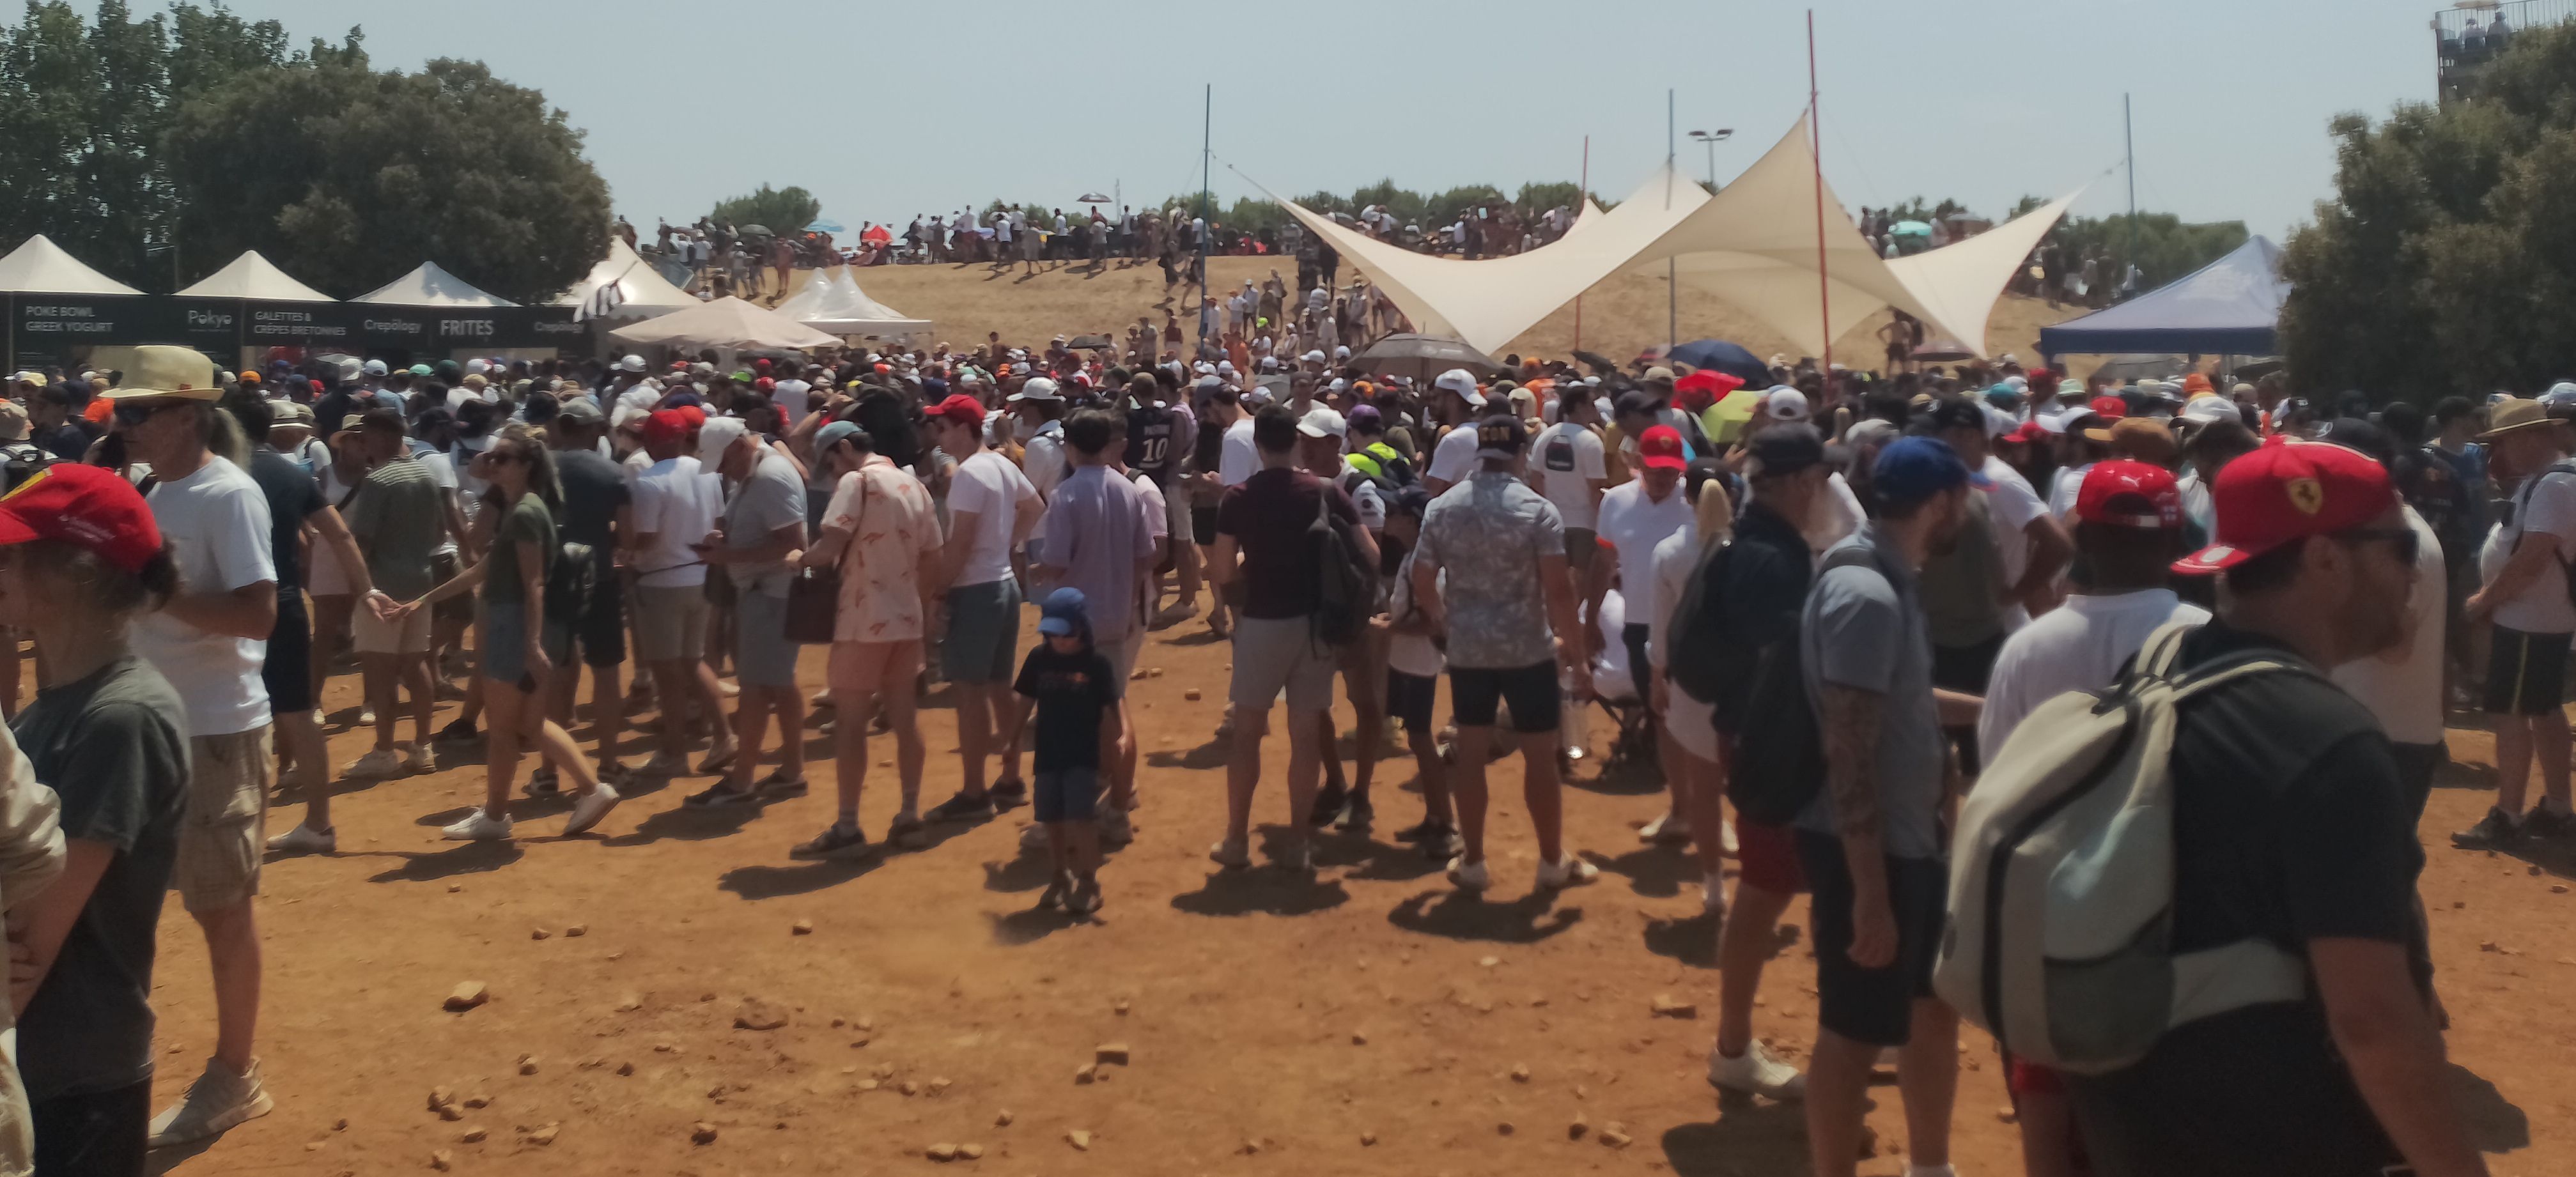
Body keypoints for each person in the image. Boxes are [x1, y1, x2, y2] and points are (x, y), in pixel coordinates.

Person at [2068, 437, 2486, 1177]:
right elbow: (2371, 1020)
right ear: (2325, 560)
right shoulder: (2329, 744)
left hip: (2131, 1126)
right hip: (2270, 1138)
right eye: (2398, 550)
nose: (2412, 575)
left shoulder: (2160, 669)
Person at [1968, 459, 2207, 1173]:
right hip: (2173, 905)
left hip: (2049, 905)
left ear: (2081, 540)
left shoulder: (2027, 648)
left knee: (2043, 1082)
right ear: (2174, 543)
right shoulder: (2205, 636)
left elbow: (1996, 787)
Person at [102, 347, 282, 1147]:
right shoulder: (157, 489)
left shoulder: (227, 496)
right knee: (140, 901)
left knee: (220, 908)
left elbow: (259, 614)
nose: (124, 426)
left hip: (215, 728)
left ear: (187, 415)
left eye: (136, 413)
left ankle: (235, 1077)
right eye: (122, 413)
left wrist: (164, 594)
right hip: (155, 725)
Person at [0, 465, 189, 1176]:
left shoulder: (120, 718)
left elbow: (32, 936)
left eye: (13, 553)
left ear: (74, 571)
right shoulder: (56, 704)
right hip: (45, 1054)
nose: (0, 568)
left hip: (74, 1068)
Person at [1799, 436, 1978, 1177]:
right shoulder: (1865, 595)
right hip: (1872, 855)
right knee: (1853, 1032)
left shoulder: (1889, 577)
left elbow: (1897, 701)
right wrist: (1870, 894)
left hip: (1912, 844)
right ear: (1939, 504)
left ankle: (1930, 1167)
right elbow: (1849, 750)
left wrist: (2004, 704)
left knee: (1931, 1010)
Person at [397, 424, 619, 842]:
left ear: (527, 466)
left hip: (514, 626)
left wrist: (531, 642)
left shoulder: (526, 512)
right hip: (522, 625)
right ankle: (587, 791)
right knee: (531, 725)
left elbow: (532, 582)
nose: (492, 463)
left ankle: (501, 816)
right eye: (492, 457)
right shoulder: (525, 508)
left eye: (503, 459)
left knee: (503, 728)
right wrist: (422, 601)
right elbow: (484, 569)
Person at [1695, 426, 1828, 1100]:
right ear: (1801, 483)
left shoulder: (1756, 544)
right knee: (1764, 892)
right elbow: (1778, 662)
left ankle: (1745, 1043)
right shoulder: (1772, 560)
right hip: (1767, 741)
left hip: (1752, 734)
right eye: (1820, 482)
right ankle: (1732, 1047)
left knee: (1771, 889)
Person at [1409, 414, 1596, 893]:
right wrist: (1575, 654)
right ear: (1519, 454)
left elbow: (1422, 579)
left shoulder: (1442, 508)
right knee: (1540, 757)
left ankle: (1473, 861)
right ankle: (1551, 860)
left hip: (1469, 649)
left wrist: (1442, 624)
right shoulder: (1537, 510)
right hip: (1527, 649)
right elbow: (1558, 591)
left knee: (1470, 754)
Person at [1208, 404, 1376, 872]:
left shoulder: (1239, 497)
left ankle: (1237, 840)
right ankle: (1300, 843)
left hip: (1262, 622)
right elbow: (1372, 554)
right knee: (1305, 739)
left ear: (1259, 444)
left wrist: (1250, 570)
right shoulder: (1324, 492)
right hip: (1316, 627)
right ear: (1297, 444)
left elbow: (1222, 571)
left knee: (1246, 736)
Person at [789, 423, 945, 859]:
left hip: (862, 619)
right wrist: (923, 606)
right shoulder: (914, 486)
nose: (832, 471)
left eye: (832, 461)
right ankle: (910, 813)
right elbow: (934, 554)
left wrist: (800, 558)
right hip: (905, 619)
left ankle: (848, 825)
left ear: (843, 450)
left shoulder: (856, 483)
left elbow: (831, 543)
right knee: (905, 718)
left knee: (851, 724)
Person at [232, 399, 377, 858]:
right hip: (286, 603)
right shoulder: (292, 475)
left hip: (228, 609)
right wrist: (367, 590)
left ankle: (241, 831)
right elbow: (339, 535)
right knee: (296, 713)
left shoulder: (218, 475)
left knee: (230, 715)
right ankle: (318, 823)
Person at [1030, 408, 1155, 835]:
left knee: (1067, 723)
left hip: (1073, 626)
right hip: (1116, 617)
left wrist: (1038, 572)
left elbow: (1057, 562)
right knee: (1115, 715)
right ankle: (1120, 806)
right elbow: (1145, 556)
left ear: (1069, 446)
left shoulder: (1066, 495)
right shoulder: (1129, 490)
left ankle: (1062, 822)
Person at [2460, 397, 2576, 845]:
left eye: (2505, 440)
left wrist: (2485, 601)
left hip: (2529, 620)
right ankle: (2557, 808)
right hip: (2538, 617)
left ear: (2531, 436)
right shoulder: (2549, 481)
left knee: (2511, 715)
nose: (2500, 452)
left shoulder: (2553, 486)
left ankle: (2508, 815)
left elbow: (2532, 559)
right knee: (2544, 711)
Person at [924, 392, 1043, 819]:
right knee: (997, 687)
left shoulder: (971, 474)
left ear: (962, 429)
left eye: (942, 426)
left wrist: (938, 593)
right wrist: (1010, 546)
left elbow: (960, 545)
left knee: (970, 695)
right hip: (1003, 585)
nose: (937, 435)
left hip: (976, 590)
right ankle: (1010, 779)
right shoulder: (1001, 465)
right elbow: (1035, 507)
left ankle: (975, 793)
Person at [686, 417, 811, 805]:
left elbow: (793, 543)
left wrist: (728, 556)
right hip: (769, 593)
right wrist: (723, 537)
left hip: (771, 594)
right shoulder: (755, 472)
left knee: (756, 689)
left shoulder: (771, 477)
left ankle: (742, 781)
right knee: (779, 685)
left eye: (723, 463)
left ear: (740, 447)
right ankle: (792, 771)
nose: (722, 472)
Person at [1595, 424, 1696, 843]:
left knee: (1701, 722)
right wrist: (1587, 625)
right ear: (1638, 464)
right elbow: (1601, 565)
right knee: (1661, 717)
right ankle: (1681, 809)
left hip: (1689, 628)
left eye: (1671, 470)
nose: (1663, 477)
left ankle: (1705, 809)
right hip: (1639, 627)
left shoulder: (1696, 502)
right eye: (1655, 468)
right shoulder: (1616, 503)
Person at [339, 410, 445, 779]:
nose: (362, 443)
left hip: (383, 587)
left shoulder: (379, 481)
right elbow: (438, 536)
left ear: (384, 437)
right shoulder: (428, 476)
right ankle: (422, 747)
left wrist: (359, 588)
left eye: (365, 436)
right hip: (421, 582)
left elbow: (362, 543)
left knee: (381, 673)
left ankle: (385, 750)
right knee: (416, 665)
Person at [628, 409, 734, 777]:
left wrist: (619, 545)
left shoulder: (649, 481)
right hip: (699, 577)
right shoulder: (707, 474)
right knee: (693, 662)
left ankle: (674, 752)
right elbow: (719, 523)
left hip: (662, 583)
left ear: (652, 442)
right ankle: (723, 736)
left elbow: (645, 538)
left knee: (668, 674)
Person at [1005, 588, 1122, 914]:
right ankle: (1059, 877)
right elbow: (1025, 701)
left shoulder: (1096, 664)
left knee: (1081, 820)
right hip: (1048, 756)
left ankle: (1089, 880)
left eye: (1067, 634)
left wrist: (1119, 743)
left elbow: (1113, 706)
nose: (1060, 641)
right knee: (1051, 820)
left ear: (1082, 627)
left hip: (1082, 758)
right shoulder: (1038, 660)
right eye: (1053, 634)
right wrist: (1012, 740)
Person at [541, 399, 632, 786]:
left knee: (553, 675)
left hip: (550, 580)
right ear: (595, 429)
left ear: (562, 427)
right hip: (600, 580)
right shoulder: (614, 473)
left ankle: (548, 773)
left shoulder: (540, 471)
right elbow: (626, 538)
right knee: (607, 674)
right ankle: (609, 763)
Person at [1374, 484, 1455, 855]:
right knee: (1417, 739)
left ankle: (1446, 825)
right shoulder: (1413, 559)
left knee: (1422, 740)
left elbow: (1434, 625)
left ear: (1411, 520)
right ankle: (1435, 819)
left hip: (1420, 662)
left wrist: (1390, 628)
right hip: (1408, 660)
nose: (1388, 518)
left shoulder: (1425, 563)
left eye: (1394, 513)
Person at [1531, 386, 1610, 601]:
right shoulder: (1591, 441)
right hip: (1585, 522)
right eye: (1591, 404)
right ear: (1578, 406)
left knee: (1553, 581)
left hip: (1552, 520)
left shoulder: (1545, 437)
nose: (1595, 409)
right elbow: (1595, 486)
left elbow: (1536, 478)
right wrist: (1604, 524)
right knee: (1582, 582)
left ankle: (1555, 626)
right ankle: (1574, 628)